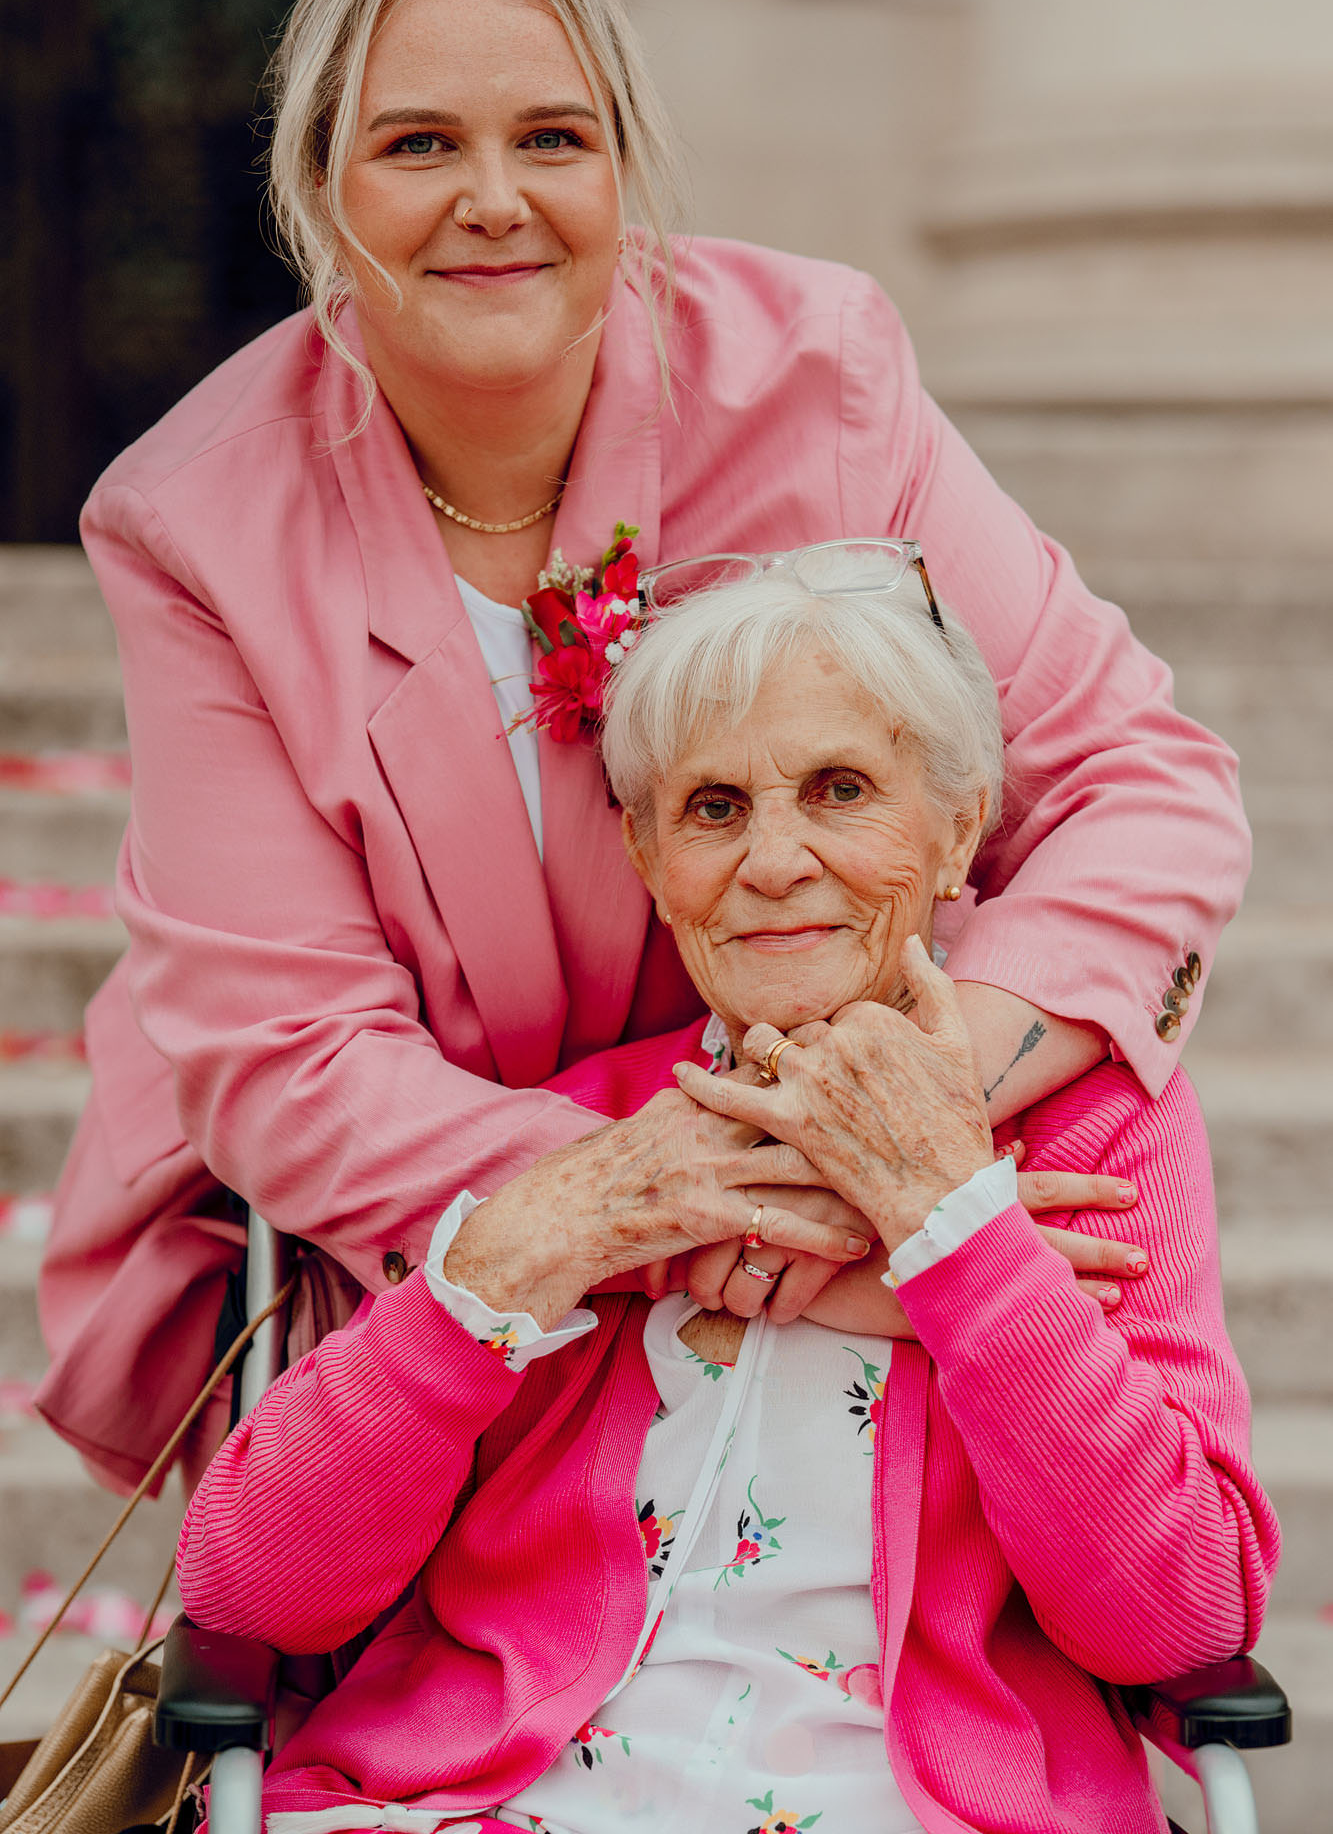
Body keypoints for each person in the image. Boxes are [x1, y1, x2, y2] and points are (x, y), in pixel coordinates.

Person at [36, 0, 1249, 1494]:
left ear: (622, 169)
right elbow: (295, 1064)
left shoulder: (816, 375)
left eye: (552, 137)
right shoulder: (194, 525)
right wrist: (750, 1218)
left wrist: (895, 1113)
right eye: (416, 146)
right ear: (317, 189)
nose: (492, 200)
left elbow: (1138, 787)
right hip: (460, 1270)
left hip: (869, 1237)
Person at [177, 566, 1278, 1834]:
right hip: (489, 1799)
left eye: (840, 790)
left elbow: (1182, 1607)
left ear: (958, 825)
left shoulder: (1097, 1131)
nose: (771, 861)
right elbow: (245, 1588)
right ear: (650, 858)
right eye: (712, 807)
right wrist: (543, 1237)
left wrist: (955, 1229)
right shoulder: (600, 1137)